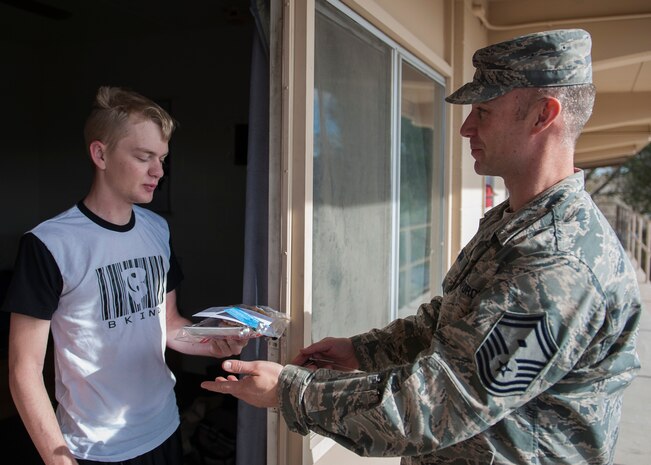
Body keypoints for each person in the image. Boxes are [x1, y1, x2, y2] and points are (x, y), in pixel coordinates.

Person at [200, 28, 643, 465]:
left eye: (483, 111)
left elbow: (436, 405)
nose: (467, 127)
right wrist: (363, 350)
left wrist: (288, 391)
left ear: (543, 115)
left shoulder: (560, 262)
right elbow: (456, 321)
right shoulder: (518, 223)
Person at [2, 86, 249, 465]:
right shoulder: (49, 244)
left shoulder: (157, 230)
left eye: (163, 158)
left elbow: (167, 324)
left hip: (165, 427)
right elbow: (24, 370)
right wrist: (59, 460)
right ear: (100, 153)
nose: (159, 171)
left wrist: (213, 341)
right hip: (96, 449)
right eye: (144, 156)